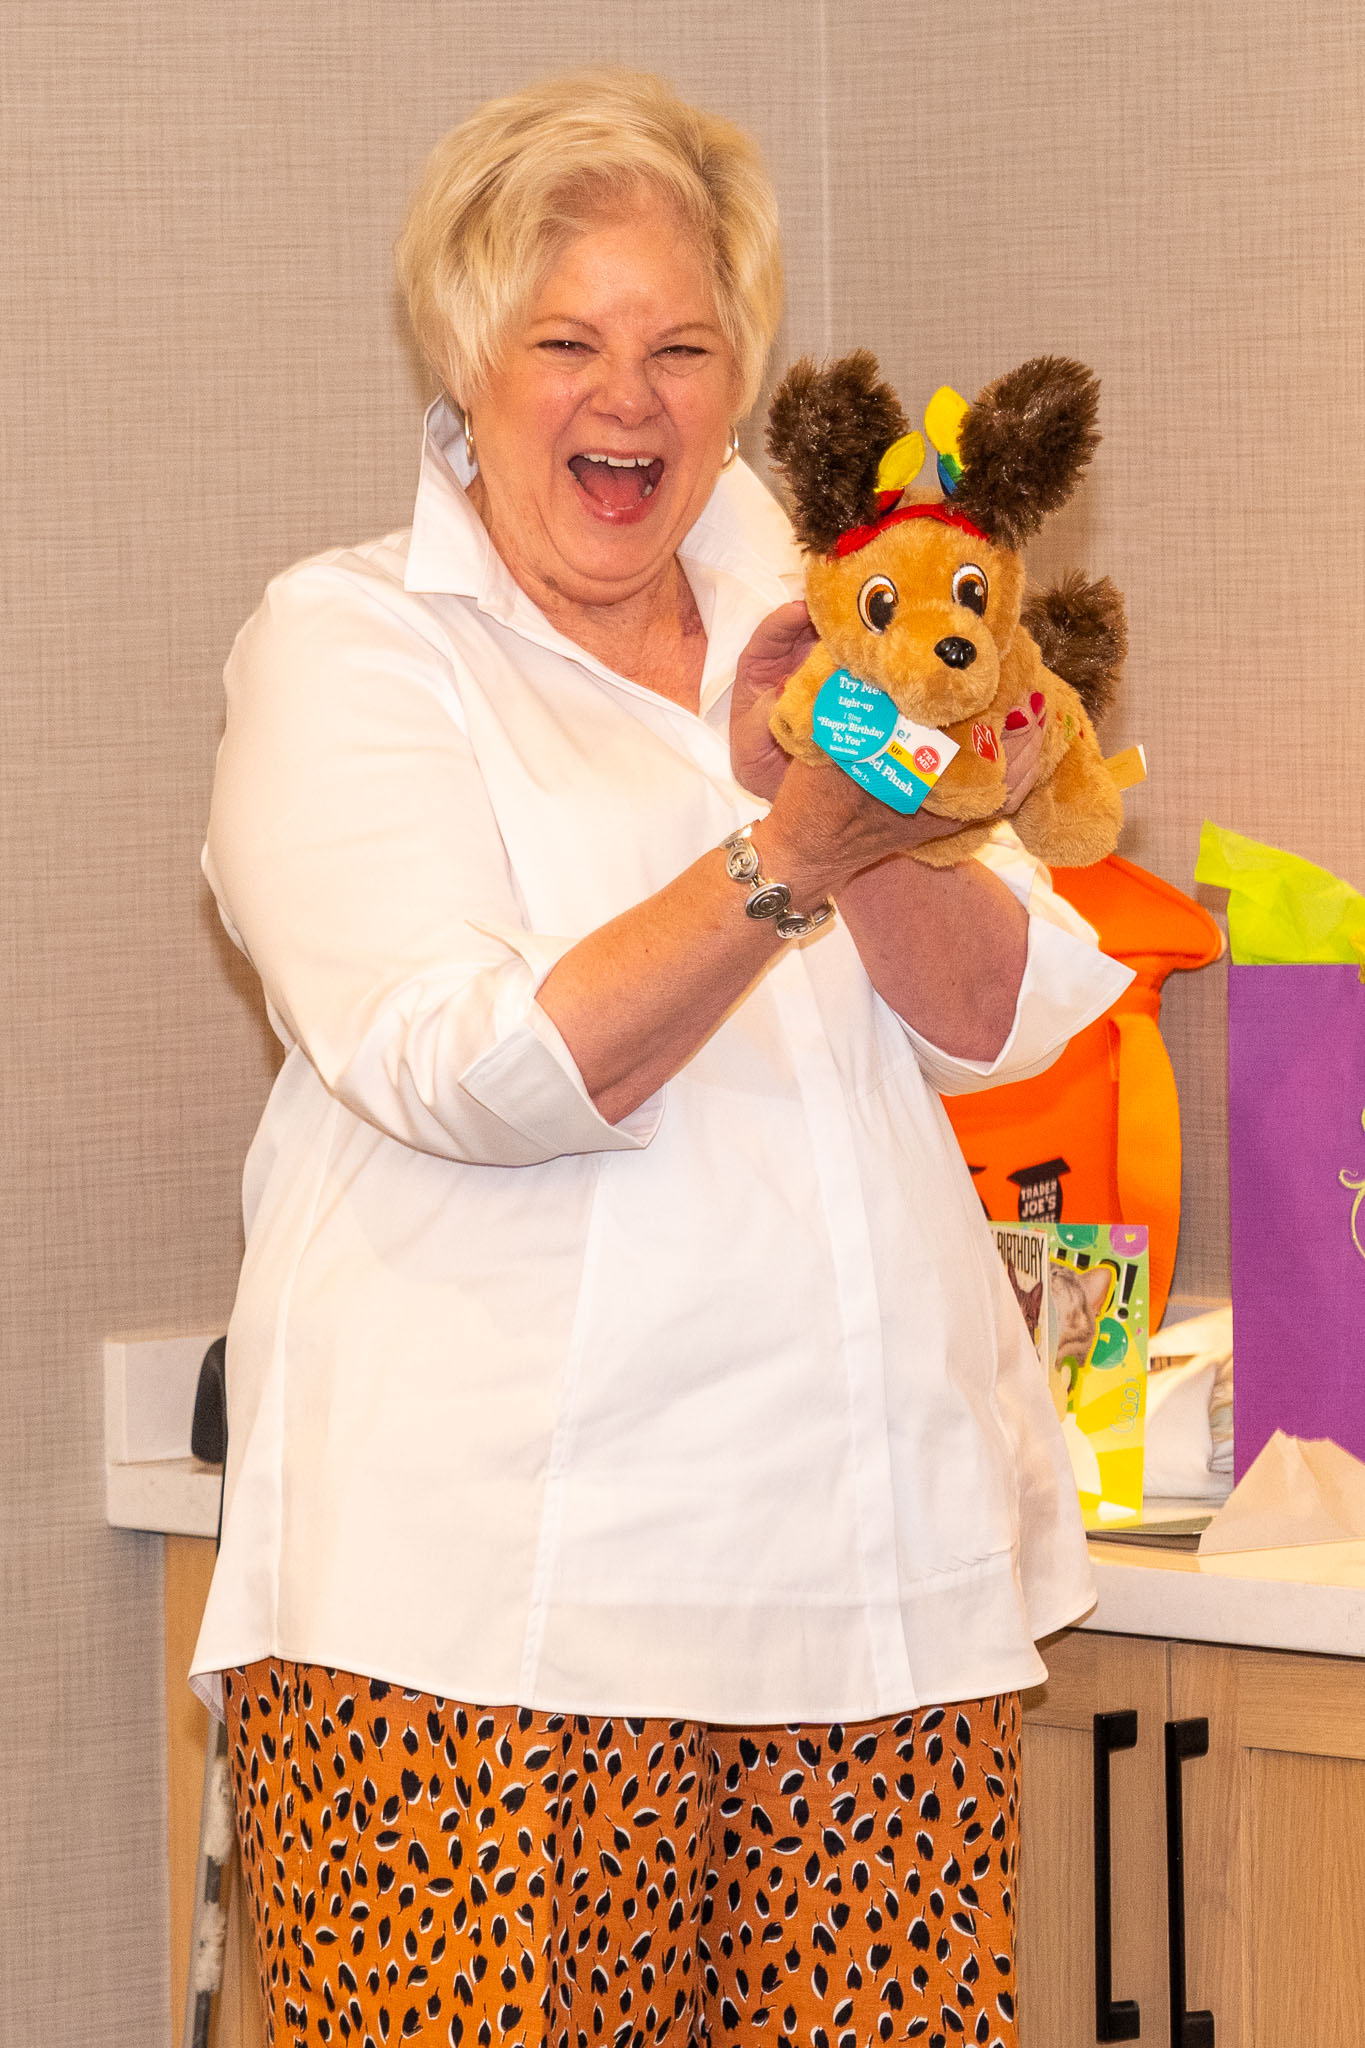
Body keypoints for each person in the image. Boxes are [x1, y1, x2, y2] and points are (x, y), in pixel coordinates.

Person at [192, 69, 1131, 2048]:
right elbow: (467, 1065)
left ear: (737, 378)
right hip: (480, 1650)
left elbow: (1002, 1009)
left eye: (680, 347)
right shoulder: (349, 647)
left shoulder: (830, 629)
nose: (626, 397)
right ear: (466, 361)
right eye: (567, 342)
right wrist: (785, 854)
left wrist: (853, 804)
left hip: (871, 1622)